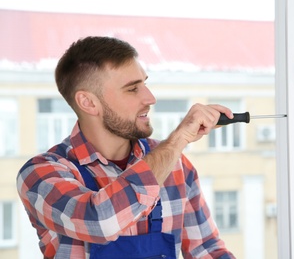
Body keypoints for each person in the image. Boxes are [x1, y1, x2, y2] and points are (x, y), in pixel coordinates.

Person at [16, 36, 236, 259]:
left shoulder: (177, 166)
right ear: (88, 102)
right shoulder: (40, 174)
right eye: (132, 89)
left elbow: (207, 250)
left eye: (145, 84)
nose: (150, 98)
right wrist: (178, 140)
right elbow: (101, 222)